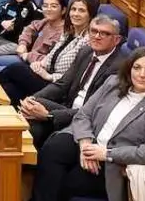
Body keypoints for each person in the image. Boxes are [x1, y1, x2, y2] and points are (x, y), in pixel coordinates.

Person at [17, 48, 145, 201]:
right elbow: (84, 114)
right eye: (137, 67)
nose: (142, 74)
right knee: (53, 147)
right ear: (129, 69)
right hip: (89, 142)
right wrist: (86, 144)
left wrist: (105, 153)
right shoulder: (113, 84)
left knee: (64, 178)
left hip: (113, 164)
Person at [17, 14, 126, 147]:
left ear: (117, 40)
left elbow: (94, 111)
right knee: (32, 108)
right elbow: (62, 84)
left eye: (104, 33)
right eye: (94, 31)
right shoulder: (86, 51)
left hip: (87, 119)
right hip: (68, 106)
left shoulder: (120, 68)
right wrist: (33, 99)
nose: (97, 36)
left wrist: (50, 115)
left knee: (38, 127)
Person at [0, 0, 96, 103]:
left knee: (16, 69)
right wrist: (41, 64)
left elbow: (74, 76)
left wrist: (49, 76)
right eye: (73, 9)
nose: (76, 14)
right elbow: (51, 55)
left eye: (82, 10)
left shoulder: (87, 41)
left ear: (90, 15)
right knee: (10, 89)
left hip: (57, 87)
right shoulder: (68, 32)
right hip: (44, 74)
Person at [0, 0, 65, 74]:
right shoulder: (45, 22)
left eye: (53, 6)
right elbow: (29, 29)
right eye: (45, 6)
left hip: (39, 68)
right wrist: (23, 44)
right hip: (26, 58)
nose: (48, 9)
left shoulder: (63, 33)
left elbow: (51, 61)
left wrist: (28, 56)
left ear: (63, 10)